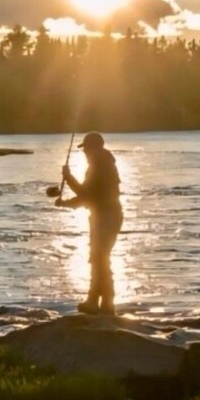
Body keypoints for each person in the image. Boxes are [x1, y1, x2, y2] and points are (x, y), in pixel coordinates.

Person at [46, 132, 123, 315]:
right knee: (98, 258)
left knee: (99, 258)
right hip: (104, 215)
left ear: (95, 147)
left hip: (106, 216)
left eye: (86, 148)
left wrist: (68, 177)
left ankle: (104, 303)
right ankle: (97, 302)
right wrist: (65, 203)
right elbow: (88, 198)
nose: (85, 152)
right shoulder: (103, 164)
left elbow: (85, 194)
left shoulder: (100, 166)